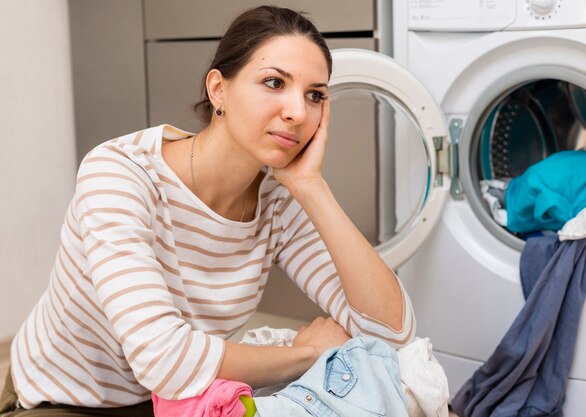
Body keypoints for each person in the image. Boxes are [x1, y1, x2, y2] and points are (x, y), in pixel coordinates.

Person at [2, 5, 416, 416]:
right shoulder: (119, 174)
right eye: (274, 82)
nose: (297, 112)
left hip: (186, 398)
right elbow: (163, 360)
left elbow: (390, 333)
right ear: (219, 89)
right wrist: (304, 352)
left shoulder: (278, 201)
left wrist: (312, 188)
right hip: (64, 398)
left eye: (315, 95)